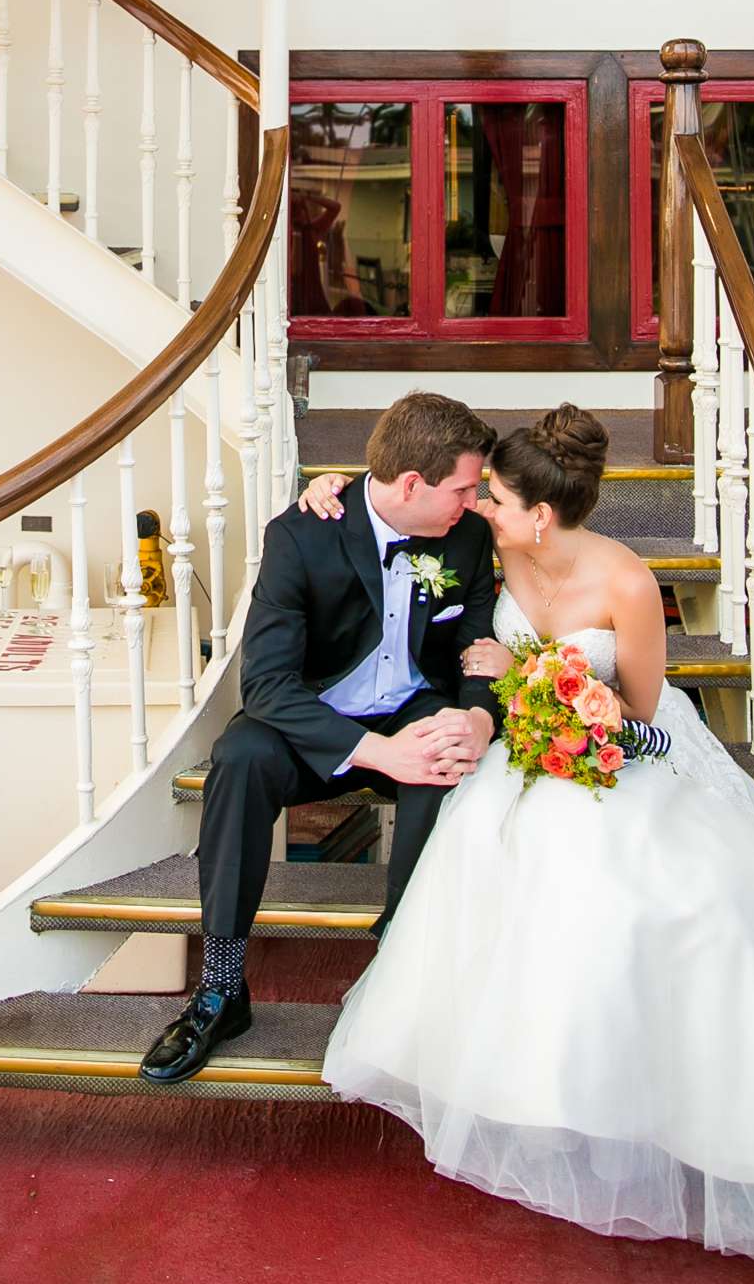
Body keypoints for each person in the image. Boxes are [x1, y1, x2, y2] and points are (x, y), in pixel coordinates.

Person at [302, 403, 754, 1273]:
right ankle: (514, 1084)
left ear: (539, 515)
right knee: (491, 848)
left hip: (617, 752)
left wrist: (536, 678)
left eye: (492, 496)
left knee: (665, 894)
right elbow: (404, 500)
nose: (477, 504)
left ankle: (641, 1100)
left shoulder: (629, 585)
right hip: (520, 749)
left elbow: (641, 718)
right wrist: (330, 487)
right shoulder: (482, 544)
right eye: (478, 492)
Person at [139, 390, 503, 1086]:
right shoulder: (302, 534)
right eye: (464, 487)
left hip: (410, 707)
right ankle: (220, 988)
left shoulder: (466, 535)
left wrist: (477, 718)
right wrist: (376, 753)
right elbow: (267, 686)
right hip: (317, 719)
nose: (474, 500)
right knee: (241, 756)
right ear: (411, 485)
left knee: (446, 760)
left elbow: (475, 642)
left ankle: (403, 989)